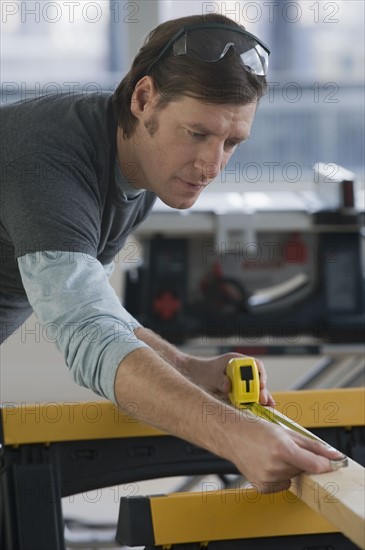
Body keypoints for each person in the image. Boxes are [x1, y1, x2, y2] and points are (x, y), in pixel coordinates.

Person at [0, 13, 342, 492]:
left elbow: (97, 312)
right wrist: (236, 437)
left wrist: (190, 370)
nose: (211, 164)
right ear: (144, 99)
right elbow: (90, 338)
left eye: (232, 142)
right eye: (197, 133)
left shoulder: (135, 164)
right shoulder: (50, 164)